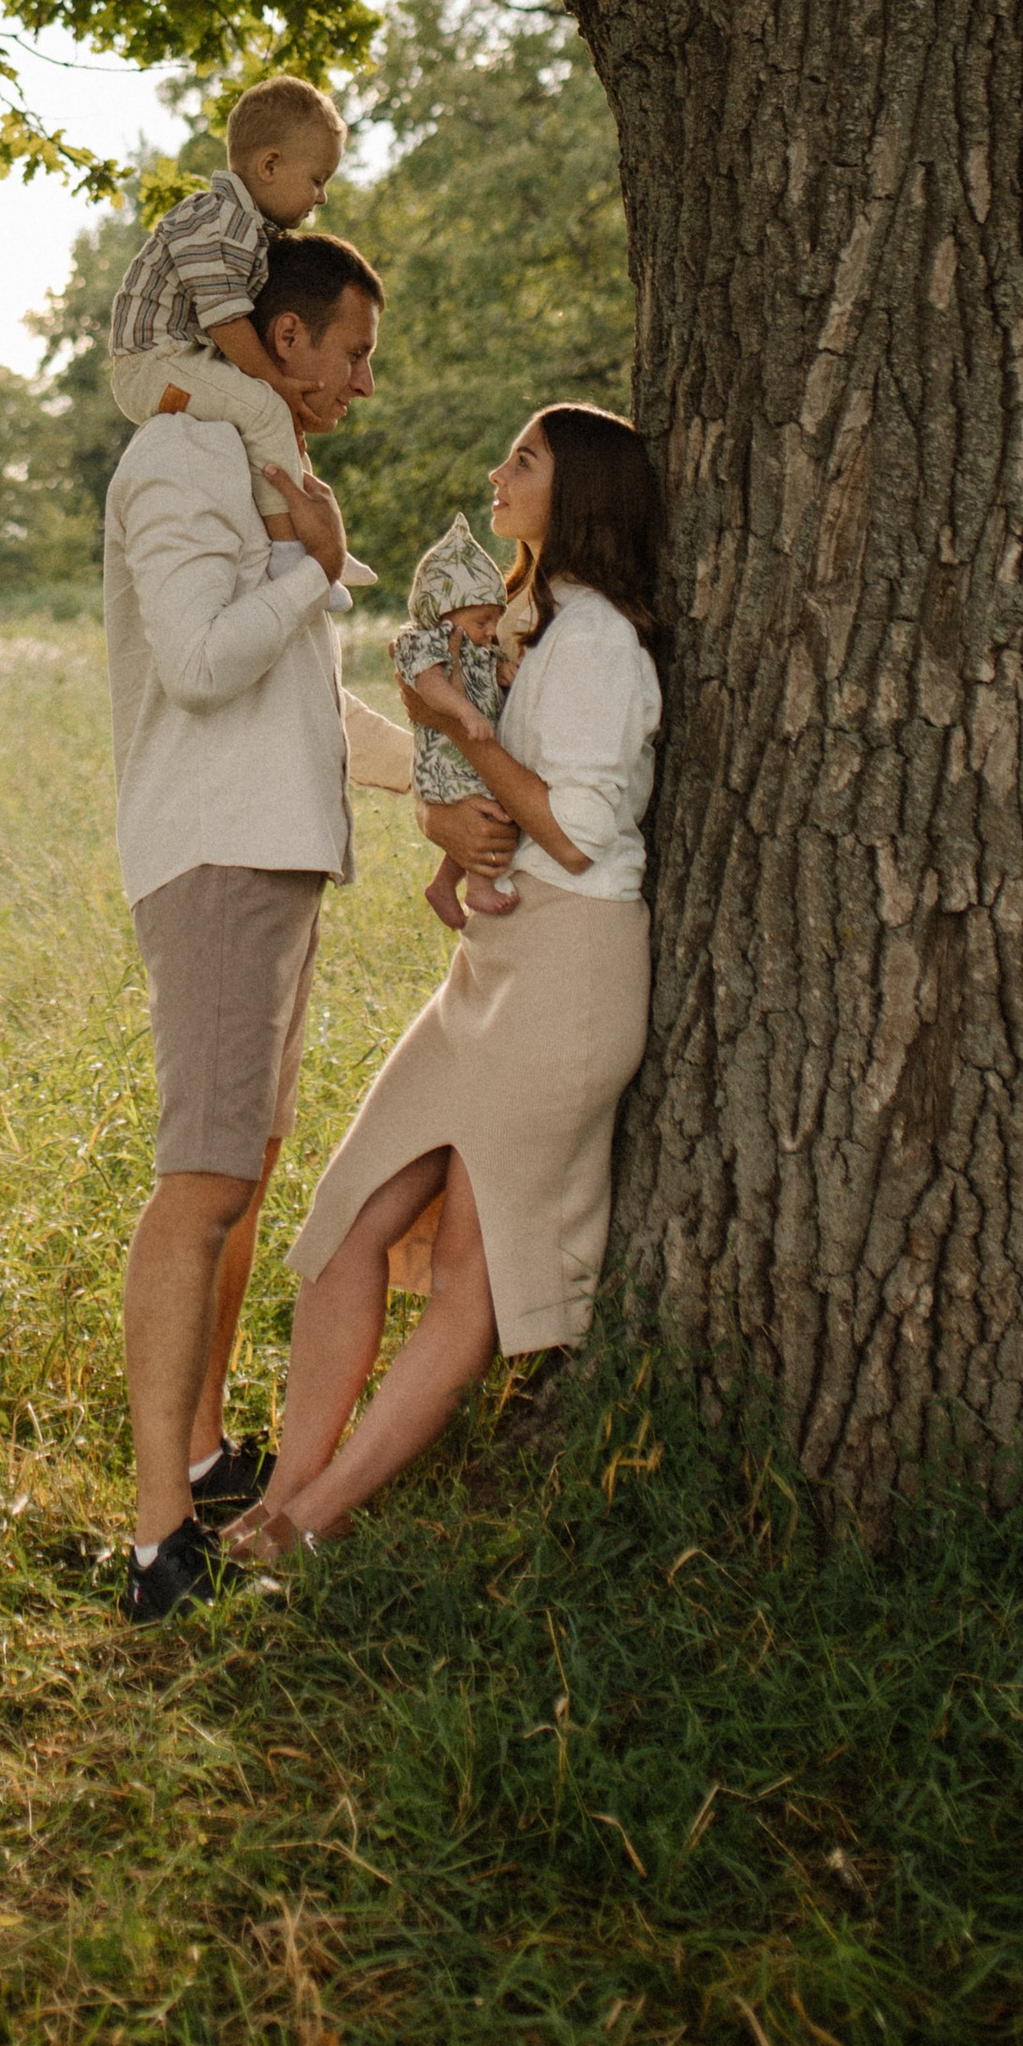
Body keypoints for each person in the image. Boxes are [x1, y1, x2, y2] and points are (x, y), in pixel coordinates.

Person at [228, 403, 664, 1563]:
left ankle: (306, 1526)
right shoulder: (534, 621)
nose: (497, 469)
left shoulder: (607, 646)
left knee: (479, 1268)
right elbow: (495, 801)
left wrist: (461, 724)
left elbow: (573, 833)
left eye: (522, 459)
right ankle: (283, 1489)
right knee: (343, 1224)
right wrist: (448, 819)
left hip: (572, 970)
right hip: (496, 965)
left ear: (581, 498)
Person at [103, 228, 412, 1623]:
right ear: (280, 339)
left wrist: (466, 769)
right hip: (218, 853)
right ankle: (160, 1537)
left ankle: (212, 1454)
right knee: (206, 1180)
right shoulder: (179, 459)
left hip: (281, 857)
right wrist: (320, 569)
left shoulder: (274, 479)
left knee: (247, 1167)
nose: (359, 380)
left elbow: (304, 704)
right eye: (351, 351)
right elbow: (203, 659)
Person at [106, 76, 358, 583]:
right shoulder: (215, 218)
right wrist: (276, 383)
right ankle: (292, 560)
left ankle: (311, 529)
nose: (323, 197)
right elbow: (224, 317)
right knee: (267, 407)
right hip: (153, 364)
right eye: (317, 179)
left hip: (181, 360)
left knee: (274, 420)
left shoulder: (248, 229)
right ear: (269, 165)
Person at [394, 511, 527, 929]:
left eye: (494, 620)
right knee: (489, 813)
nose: (491, 630)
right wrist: (463, 711)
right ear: (446, 611)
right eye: (481, 621)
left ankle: (443, 883)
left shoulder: (475, 647)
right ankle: (478, 887)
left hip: (470, 755)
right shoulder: (426, 639)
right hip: (447, 757)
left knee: (490, 808)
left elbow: (485, 672)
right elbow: (428, 684)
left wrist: (503, 673)